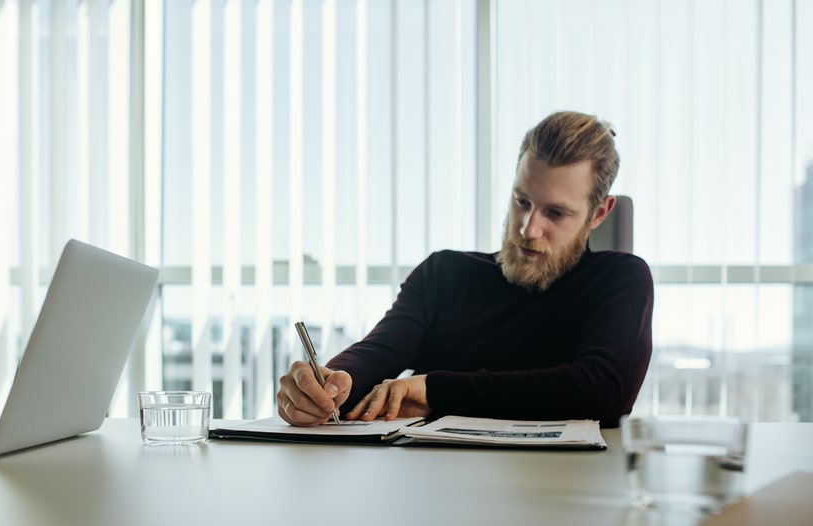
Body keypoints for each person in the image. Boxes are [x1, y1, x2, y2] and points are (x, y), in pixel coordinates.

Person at [277, 110, 653, 428]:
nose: (527, 228)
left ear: (599, 214)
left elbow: (604, 391)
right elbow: (381, 350)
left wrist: (434, 391)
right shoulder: (444, 273)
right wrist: (332, 382)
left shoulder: (620, 280)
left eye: (555, 213)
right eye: (522, 201)